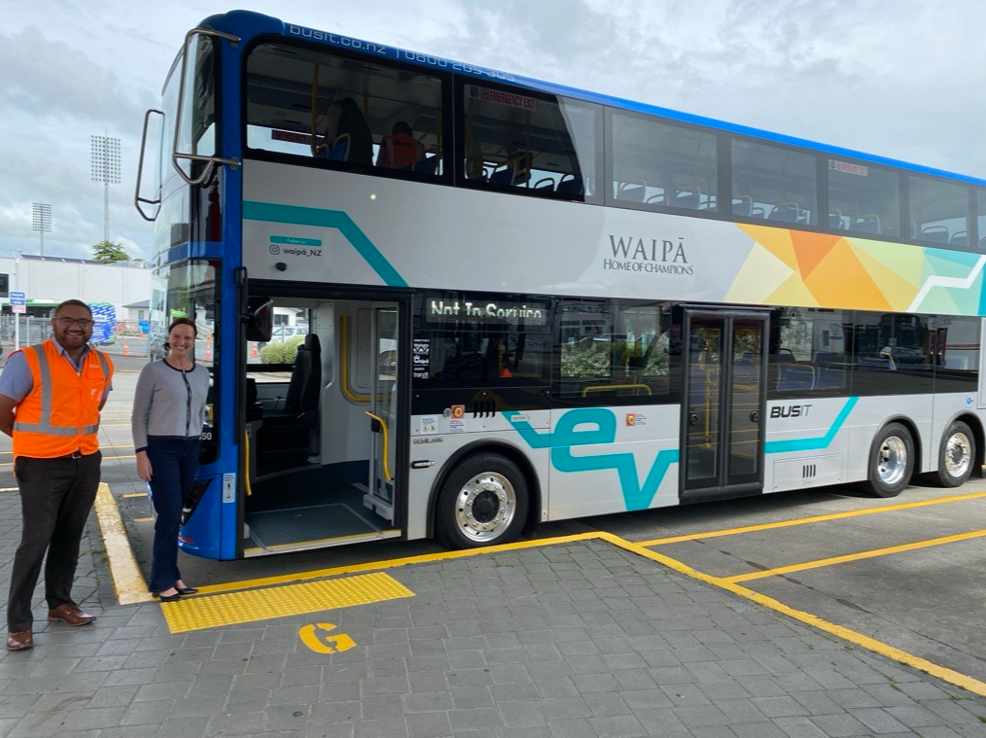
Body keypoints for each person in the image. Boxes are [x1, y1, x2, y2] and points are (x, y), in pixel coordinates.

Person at [0, 299, 114, 651]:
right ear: (54, 323)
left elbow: (96, 406)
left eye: (83, 321)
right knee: (36, 540)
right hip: (41, 464)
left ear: (93, 326)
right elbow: (4, 411)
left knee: (70, 536)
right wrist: (32, 442)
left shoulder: (103, 362)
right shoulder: (28, 360)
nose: (75, 327)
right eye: (68, 320)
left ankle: (60, 604)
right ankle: (19, 622)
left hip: (85, 462)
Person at [131, 318, 210, 602]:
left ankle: (173, 574)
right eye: (177, 336)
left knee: (176, 514)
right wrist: (142, 453)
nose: (182, 342)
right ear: (169, 338)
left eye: (188, 338)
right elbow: (139, 415)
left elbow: (201, 411)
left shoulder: (201, 373)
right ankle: (161, 581)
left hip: (190, 448)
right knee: (169, 514)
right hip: (161, 447)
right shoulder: (153, 371)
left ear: (193, 341)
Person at [319, 95, 373, 166]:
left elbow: (334, 109)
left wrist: (330, 139)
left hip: (347, 160)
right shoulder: (363, 127)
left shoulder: (347, 111)